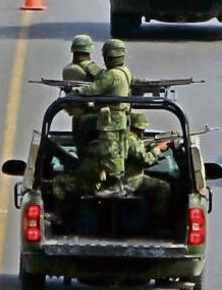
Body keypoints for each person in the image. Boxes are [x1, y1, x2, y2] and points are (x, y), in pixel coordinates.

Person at [69, 39, 134, 191]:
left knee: (109, 152)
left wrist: (77, 91)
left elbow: (95, 89)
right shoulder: (124, 71)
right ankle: (114, 182)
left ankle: (113, 184)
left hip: (110, 120)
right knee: (118, 151)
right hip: (121, 119)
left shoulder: (112, 75)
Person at [124, 113, 173, 218]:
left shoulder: (128, 139)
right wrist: (158, 149)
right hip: (131, 180)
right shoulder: (130, 140)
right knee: (164, 187)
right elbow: (145, 160)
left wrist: (152, 148)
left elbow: (138, 157)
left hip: (128, 178)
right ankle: (157, 221)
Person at [63, 34, 103, 150]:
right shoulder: (91, 68)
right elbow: (108, 81)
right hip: (91, 118)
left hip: (76, 118)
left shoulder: (67, 69)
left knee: (81, 150)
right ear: (89, 50)